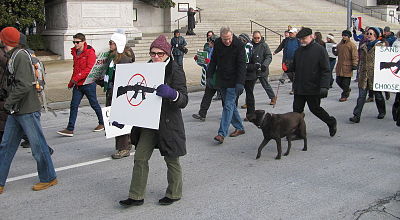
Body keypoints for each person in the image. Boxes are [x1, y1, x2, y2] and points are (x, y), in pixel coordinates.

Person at [119, 35, 188, 206]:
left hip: (168, 122)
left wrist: (173, 94)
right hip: (148, 122)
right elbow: (134, 95)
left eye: (160, 54)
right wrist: (122, 116)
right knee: (140, 158)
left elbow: (184, 99)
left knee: (172, 159)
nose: (156, 57)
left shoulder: (175, 70)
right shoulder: (146, 69)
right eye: (153, 53)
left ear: (167, 54)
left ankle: (174, 193)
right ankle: (136, 196)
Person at [0, 27, 57, 194]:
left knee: (38, 146)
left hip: (26, 110)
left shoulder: (20, 57)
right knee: (6, 146)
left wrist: (8, 103)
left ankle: (49, 177)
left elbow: (24, 85)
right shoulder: (13, 56)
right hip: (17, 110)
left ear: (5, 41)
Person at [291, 27, 337, 137]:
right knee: (297, 112)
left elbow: (326, 70)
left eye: (304, 38)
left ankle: (331, 122)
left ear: (311, 36)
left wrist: (324, 86)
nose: (302, 41)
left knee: (315, 109)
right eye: (300, 39)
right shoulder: (298, 51)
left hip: (313, 87)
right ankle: (299, 133)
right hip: (299, 87)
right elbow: (294, 67)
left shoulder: (320, 50)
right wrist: (288, 67)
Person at [57, 33, 104, 137]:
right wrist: (71, 82)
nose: (75, 44)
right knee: (74, 105)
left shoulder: (90, 52)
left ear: (83, 42)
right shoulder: (75, 52)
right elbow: (75, 69)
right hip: (78, 85)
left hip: (88, 84)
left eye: (77, 42)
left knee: (94, 104)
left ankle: (102, 123)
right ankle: (70, 129)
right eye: (74, 42)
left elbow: (89, 69)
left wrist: (75, 78)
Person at [207, 26, 246, 144]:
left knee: (228, 105)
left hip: (234, 80)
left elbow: (241, 65)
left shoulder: (239, 45)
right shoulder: (218, 43)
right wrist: (209, 75)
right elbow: (213, 60)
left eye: (229, 38)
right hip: (222, 78)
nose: (227, 41)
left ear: (232, 35)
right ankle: (239, 127)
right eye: (225, 39)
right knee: (230, 105)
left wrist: (240, 83)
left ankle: (221, 133)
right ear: (221, 37)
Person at [102, 32, 135, 159]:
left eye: (112, 42)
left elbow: (123, 79)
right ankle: (128, 142)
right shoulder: (114, 57)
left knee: (118, 121)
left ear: (118, 44)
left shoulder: (123, 59)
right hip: (113, 92)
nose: (109, 44)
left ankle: (123, 148)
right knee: (120, 121)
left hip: (119, 94)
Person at [349, 27, 386, 123]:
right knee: (361, 96)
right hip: (364, 74)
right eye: (367, 33)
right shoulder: (363, 46)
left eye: (371, 34)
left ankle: (382, 111)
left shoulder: (381, 47)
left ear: (375, 36)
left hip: (375, 74)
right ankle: (356, 115)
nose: (368, 35)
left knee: (378, 96)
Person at [241, 31, 276, 114]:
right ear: (252, 37)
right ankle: (248, 102)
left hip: (262, 69)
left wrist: (265, 65)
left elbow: (268, 56)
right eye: (255, 38)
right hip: (253, 70)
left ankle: (273, 97)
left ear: (261, 37)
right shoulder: (249, 45)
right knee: (250, 89)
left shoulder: (264, 45)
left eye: (258, 38)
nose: (256, 39)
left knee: (265, 85)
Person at [192, 35, 221, 121]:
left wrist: (210, 63)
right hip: (211, 77)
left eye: (210, 42)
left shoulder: (220, 51)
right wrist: (198, 59)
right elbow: (206, 64)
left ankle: (229, 115)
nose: (209, 43)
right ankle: (202, 114)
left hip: (218, 77)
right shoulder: (211, 50)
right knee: (207, 96)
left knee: (226, 99)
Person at [334, 30, 358, 102]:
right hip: (340, 66)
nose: (344, 37)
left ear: (349, 37)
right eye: (343, 35)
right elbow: (337, 53)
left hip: (348, 66)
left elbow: (355, 55)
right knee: (338, 81)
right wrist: (334, 51)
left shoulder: (351, 45)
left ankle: (344, 95)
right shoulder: (340, 44)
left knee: (345, 82)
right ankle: (347, 89)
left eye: (345, 36)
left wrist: (354, 64)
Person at [283, 28, 300, 94]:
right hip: (287, 60)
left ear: (295, 33)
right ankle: (295, 84)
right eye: (290, 33)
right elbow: (284, 49)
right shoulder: (287, 40)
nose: (290, 34)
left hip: (295, 61)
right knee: (289, 74)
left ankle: (294, 89)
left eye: (292, 33)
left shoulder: (298, 40)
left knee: (295, 75)